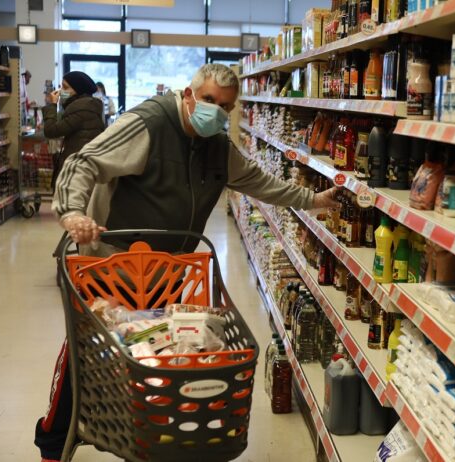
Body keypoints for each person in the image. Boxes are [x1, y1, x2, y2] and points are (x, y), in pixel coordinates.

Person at [35, 63, 338, 462]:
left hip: (171, 270)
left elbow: (259, 182)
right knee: (88, 353)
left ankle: (148, 435)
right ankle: (54, 441)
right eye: (209, 100)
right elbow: (84, 162)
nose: (216, 111)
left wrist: (313, 200)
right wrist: (72, 212)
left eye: (225, 106)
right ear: (190, 94)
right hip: (113, 264)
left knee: (159, 358)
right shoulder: (148, 123)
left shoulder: (217, 147)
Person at [43, 71, 105, 191]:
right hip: (87, 164)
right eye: (61, 86)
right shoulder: (91, 106)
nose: (61, 91)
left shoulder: (79, 108)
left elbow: (50, 131)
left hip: (77, 166)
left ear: (78, 90)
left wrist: (52, 105)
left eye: (65, 87)